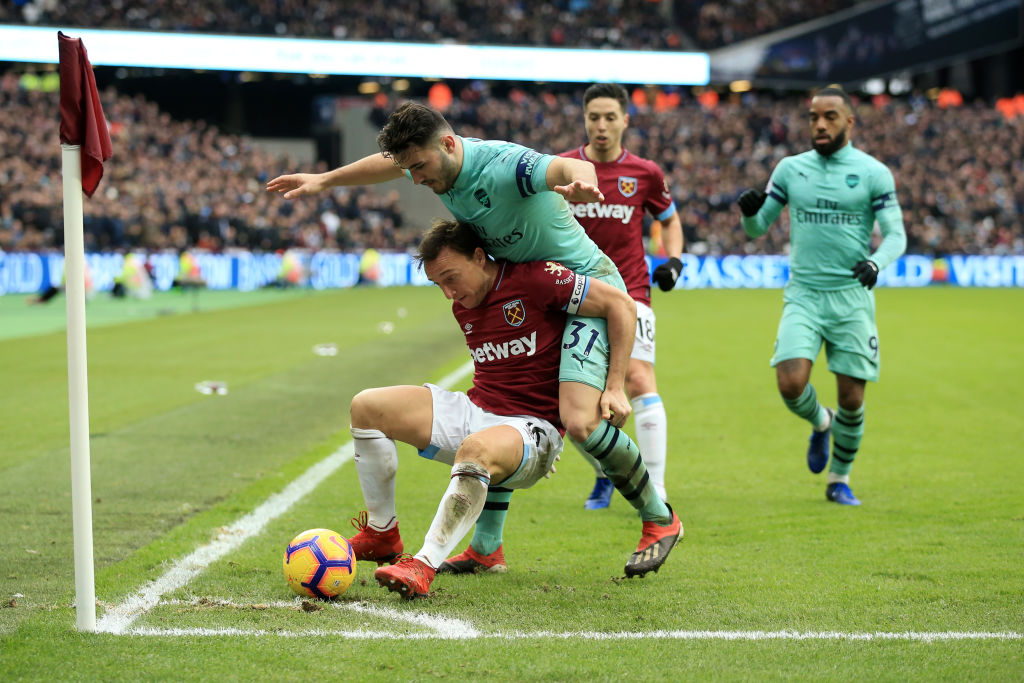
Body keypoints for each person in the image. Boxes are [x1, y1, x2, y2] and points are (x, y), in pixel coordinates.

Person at [268, 102, 681, 577]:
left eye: (419, 167)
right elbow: (391, 164)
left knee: (582, 420)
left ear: (447, 144)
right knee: (502, 404)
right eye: (410, 170)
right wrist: (324, 180)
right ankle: (485, 548)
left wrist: (581, 177)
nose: (416, 180)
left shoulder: (503, 165)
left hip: (584, 285)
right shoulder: (433, 161)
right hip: (530, 288)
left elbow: (560, 165)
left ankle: (658, 518)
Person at [350, 219, 680, 599]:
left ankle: (423, 564)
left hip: (532, 429)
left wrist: (614, 386)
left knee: (477, 448)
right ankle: (383, 532)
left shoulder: (536, 279)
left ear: (479, 256)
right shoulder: (464, 301)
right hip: (481, 409)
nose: (447, 293)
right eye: (438, 284)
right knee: (366, 406)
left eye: (451, 278)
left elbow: (620, 304)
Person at [736, 85, 907, 505]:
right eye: (814, 117)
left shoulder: (873, 173)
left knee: (853, 397)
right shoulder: (791, 169)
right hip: (805, 295)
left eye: (830, 116)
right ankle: (820, 421)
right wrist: (748, 211)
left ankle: (839, 479)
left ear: (849, 121)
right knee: (791, 382)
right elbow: (758, 229)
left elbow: (898, 236)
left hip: (851, 297)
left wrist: (876, 263)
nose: (820, 124)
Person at [559, 82, 684, 509]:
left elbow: (670, 219)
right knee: (567, 402)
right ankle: (605, 472)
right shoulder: (564, 167)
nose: (602, 125)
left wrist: (674, 259)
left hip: (630, 290)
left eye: (610, 117)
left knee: (638, 378)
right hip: (573, 294)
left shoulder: (644, 173)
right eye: (594, 116)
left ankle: (658, 492)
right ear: (585, 120)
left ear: (625, 121)